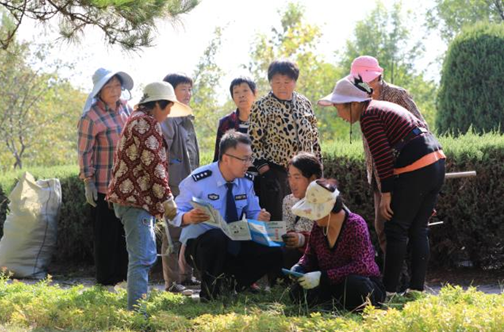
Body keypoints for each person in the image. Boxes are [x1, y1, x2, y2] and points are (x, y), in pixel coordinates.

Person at [318, 76, 445, 295]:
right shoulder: (379, 107)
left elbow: (383, 158)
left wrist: (386, 194)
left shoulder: (369, 115)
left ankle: (388, 292)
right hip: (436, 160)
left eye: (339, 107)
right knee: (418, 229)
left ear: (354, 103)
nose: (339, 114)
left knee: (395, 229)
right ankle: (416, 290)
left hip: (416, 166)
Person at [106, 81, 192, 310]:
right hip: (135, 201)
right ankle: (137, 314)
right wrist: (167, 198)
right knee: (142, 259)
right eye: (168, 108)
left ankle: (137, 310)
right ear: (158, 104)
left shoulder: (137, 119)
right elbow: (153, 165)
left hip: (133, 200)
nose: (169, 113)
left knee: (141, 257)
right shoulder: (146, 123)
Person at [169, 130, 283, 301]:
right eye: (243, 159)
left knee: (274, 249)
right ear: (226, 158)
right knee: (216, 237)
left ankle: (233, 285)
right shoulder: (199, 180)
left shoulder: (246, 182)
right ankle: (210, 293)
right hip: (201, 247)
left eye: (250, 158)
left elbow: (253, 211)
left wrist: (260, 216)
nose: (248, 164)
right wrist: (188, 217)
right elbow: (174, 212)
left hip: (235, 242)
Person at [350, 55, 429, 255]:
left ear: (377, 77)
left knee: (403, 227)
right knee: (381, 227)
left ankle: (407, 278)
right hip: (378, 174)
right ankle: (394, 276)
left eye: (367, 79)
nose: (363, 84)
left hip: (404, 171)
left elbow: (422, 128)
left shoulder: (397, 95)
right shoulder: (358, 99)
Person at [289, 179, 385, 310]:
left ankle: (343, 306)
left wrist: (324, 277)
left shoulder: (355, 224)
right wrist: (300, 267)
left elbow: (361, 266)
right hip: (331, 285)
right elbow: (310, 256)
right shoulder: (319, 227)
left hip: (361, 283)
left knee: (355, 284)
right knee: (296, 291)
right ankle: (333, 305)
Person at [77, 68, 133, 286]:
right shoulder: (90, 116)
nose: (114, 91)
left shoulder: (127, 110)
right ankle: (106, 283)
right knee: (105, 236)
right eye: (108, 87)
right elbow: (84, 152)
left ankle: (124, 281)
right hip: (103, 186)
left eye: (117, 86)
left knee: (125, 235)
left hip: (126, 186)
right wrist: (87, 181)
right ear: (99, 91)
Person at [248, 59, 322, 221]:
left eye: (287, 82)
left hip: (306, 172)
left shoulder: (304, 103)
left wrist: (319, 169)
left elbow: (315, 139)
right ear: (270, 83)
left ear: (294, 82)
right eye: (277, 82)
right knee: (282, 221)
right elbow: (254, 142)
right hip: (277, 174)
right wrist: (266, 173)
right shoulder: (261, 106)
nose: (282, 86)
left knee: (308, 219)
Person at [159, 73, 200, 295]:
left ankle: (186, 275)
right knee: (172, 232)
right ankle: (172, 283)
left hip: (189, 184)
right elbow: (163, 150)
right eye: (183, 89)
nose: (188, 94)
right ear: (171, 92)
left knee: (189, 229)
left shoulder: (186, 117)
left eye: (189, 89)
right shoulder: (169, 117)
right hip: (174, 184)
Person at [281, 152, 322, 269]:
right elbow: (287, 228)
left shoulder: (325, 201)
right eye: (290, 177)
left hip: (317, 258)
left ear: (312, 179)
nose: (292, 183)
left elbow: (327, 240)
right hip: (294, 253)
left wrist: (302, 240)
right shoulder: (288, 201)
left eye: (297, 177)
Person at [213, 77, 257, 161]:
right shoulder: (226, 122)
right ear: (233, 97)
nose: (241, 95)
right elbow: (219, 156)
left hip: (264, 173)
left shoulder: (265, 119)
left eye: (245, 90)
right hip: (234, 173)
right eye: (236, 92)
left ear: (254, 93)